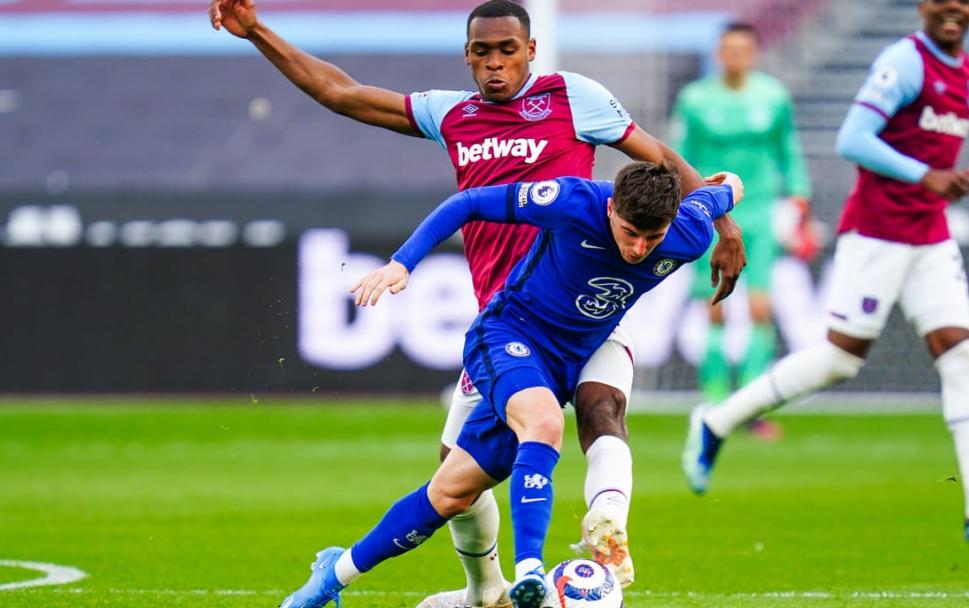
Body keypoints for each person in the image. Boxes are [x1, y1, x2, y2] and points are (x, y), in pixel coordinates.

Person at [209, 1, 746, 604]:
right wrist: (256, 30)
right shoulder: (451, 113)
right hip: (508, 320)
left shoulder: (576, 97)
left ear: (531, 50)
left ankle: (599, 533)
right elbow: (340, 92)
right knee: (455, 481)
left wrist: (725, 227)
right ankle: (483, 590)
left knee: (600, 411)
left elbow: (661, 164)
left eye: (507, 51)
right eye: (482, 52)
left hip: (586, 319)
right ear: (467, 55)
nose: (495, 64)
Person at [277, 162, 741, 608]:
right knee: (543, 422)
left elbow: (729, 187)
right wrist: (403, 263)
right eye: (630, 233)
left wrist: (730, 224)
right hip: (509, 334)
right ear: (611, 210)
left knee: (451, 492)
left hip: (578, 351)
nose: (639, 249)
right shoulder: (573, 201)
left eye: (651, 238)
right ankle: (531, 571)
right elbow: (469, 202)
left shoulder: (690, 232)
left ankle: (333, 573)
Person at [681, 0, 969, 543]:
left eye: (962, 1)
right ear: (923, 7)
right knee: (838, 361)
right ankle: (715, 421)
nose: (952, 9)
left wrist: (931, 184)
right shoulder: (904, 62)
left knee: (961, 353)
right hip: (877, 234)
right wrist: (926, 175)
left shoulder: (968, 71)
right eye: (940, 0)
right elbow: (851, 138)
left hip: (930, 236)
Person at [671, 22, 815, 440]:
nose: (735, 56)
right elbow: (683, 156)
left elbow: (788, 149)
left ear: (752, 54)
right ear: (719, 54)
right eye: (728, 49)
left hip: (759, 212)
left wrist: (799, 196)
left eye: (742, 50)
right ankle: (714, 404)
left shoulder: (772, 97)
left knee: (759, 308)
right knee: (714, 308)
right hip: (709, 211)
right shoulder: (695, 100)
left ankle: (751, 407)